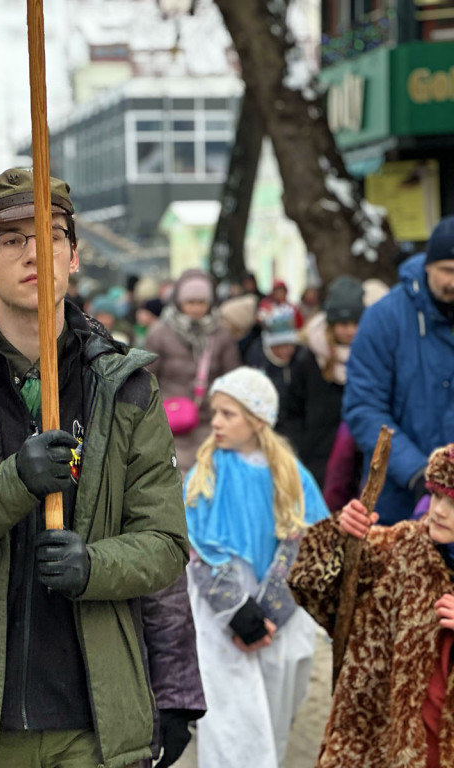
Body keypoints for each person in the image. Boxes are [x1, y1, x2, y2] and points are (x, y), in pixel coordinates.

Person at [0, 168, 192, 768]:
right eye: (9, 238)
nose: (31, 253)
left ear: (74, 256)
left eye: (48, 236)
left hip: (93, 725)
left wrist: (93, 566)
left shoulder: (127, 389)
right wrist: (13, 484)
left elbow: (167, 542)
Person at [184, 366, 329, 768]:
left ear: (257, 418)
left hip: (280, 616)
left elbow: (305, 543)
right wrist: (237, 612)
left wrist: (271, 612)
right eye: (214, 412)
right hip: (223, 619)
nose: (215, 422)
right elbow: (197, 548)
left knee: (274, 713)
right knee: (231, 724)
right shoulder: (207, 473)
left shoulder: (291, 475)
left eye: (227, 414)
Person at [288, 442, 454, 768]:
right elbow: (311, 588)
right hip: (374, 746)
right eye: (435, 495)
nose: (438, 510)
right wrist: (341, 538)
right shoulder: (402, 547)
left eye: (453, 502)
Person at [344, 218, 454, 524]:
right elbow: (364, 407)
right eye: (447, 270)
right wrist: (419, 473)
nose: (453, 281)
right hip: (398, 499)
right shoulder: (385, 318)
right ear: (427, 265)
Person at [144, 269, 241, 474]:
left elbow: (233, 378)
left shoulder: (221, 334)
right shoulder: (160, 333)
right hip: (171, 420)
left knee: (211, 476)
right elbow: (147, 377)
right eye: (191, 302)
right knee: (177, 480)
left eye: (202, 302)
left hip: (212, 420)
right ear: (179, 302)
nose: (196, 308)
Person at [279, 276, 364, 488]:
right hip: (317, 460)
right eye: (343, 323)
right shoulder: (308, 360)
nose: (350, 330)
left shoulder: (370, 358)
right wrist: (301, 445)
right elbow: (292, 409)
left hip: (359, 461)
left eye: (356, 323)